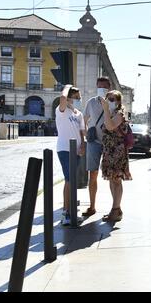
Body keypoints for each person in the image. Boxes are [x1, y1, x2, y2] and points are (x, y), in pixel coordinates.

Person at [100, 90, 132, 222]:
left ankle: (116, 210)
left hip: (117, 152)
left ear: (119, 102)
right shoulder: (110, 112)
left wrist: (106, 109)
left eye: (112, 99)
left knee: (117, 180)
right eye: (108, 99)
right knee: (112, 180)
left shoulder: (119, 113)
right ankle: (116, 209)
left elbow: (110, 126)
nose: (109, 102)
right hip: (109, 151)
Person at [55, 85, 86, 226]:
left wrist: (83, 144)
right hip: (64, 149)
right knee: (69, 179)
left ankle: (71, 211)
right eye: (77, 97)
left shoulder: (78, 113)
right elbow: (62, 98)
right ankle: (66, 213)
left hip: (76, 150)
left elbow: (81, 132)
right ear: (69, 98)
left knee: (71, 180)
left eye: (80, 97)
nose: (79, 99)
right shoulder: (61, 110)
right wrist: (67, 87)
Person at [83, 77, 112, 217]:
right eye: (99, 87)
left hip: (109, 142)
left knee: (112, 176)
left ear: (109, 88)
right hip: (94, 141)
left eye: (104, 87)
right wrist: (88, 131)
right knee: (92, 174)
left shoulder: (113, 102)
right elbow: (84, 119)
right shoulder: (91, 102)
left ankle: (114, 208)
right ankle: (92, 206)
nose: (101, 89)